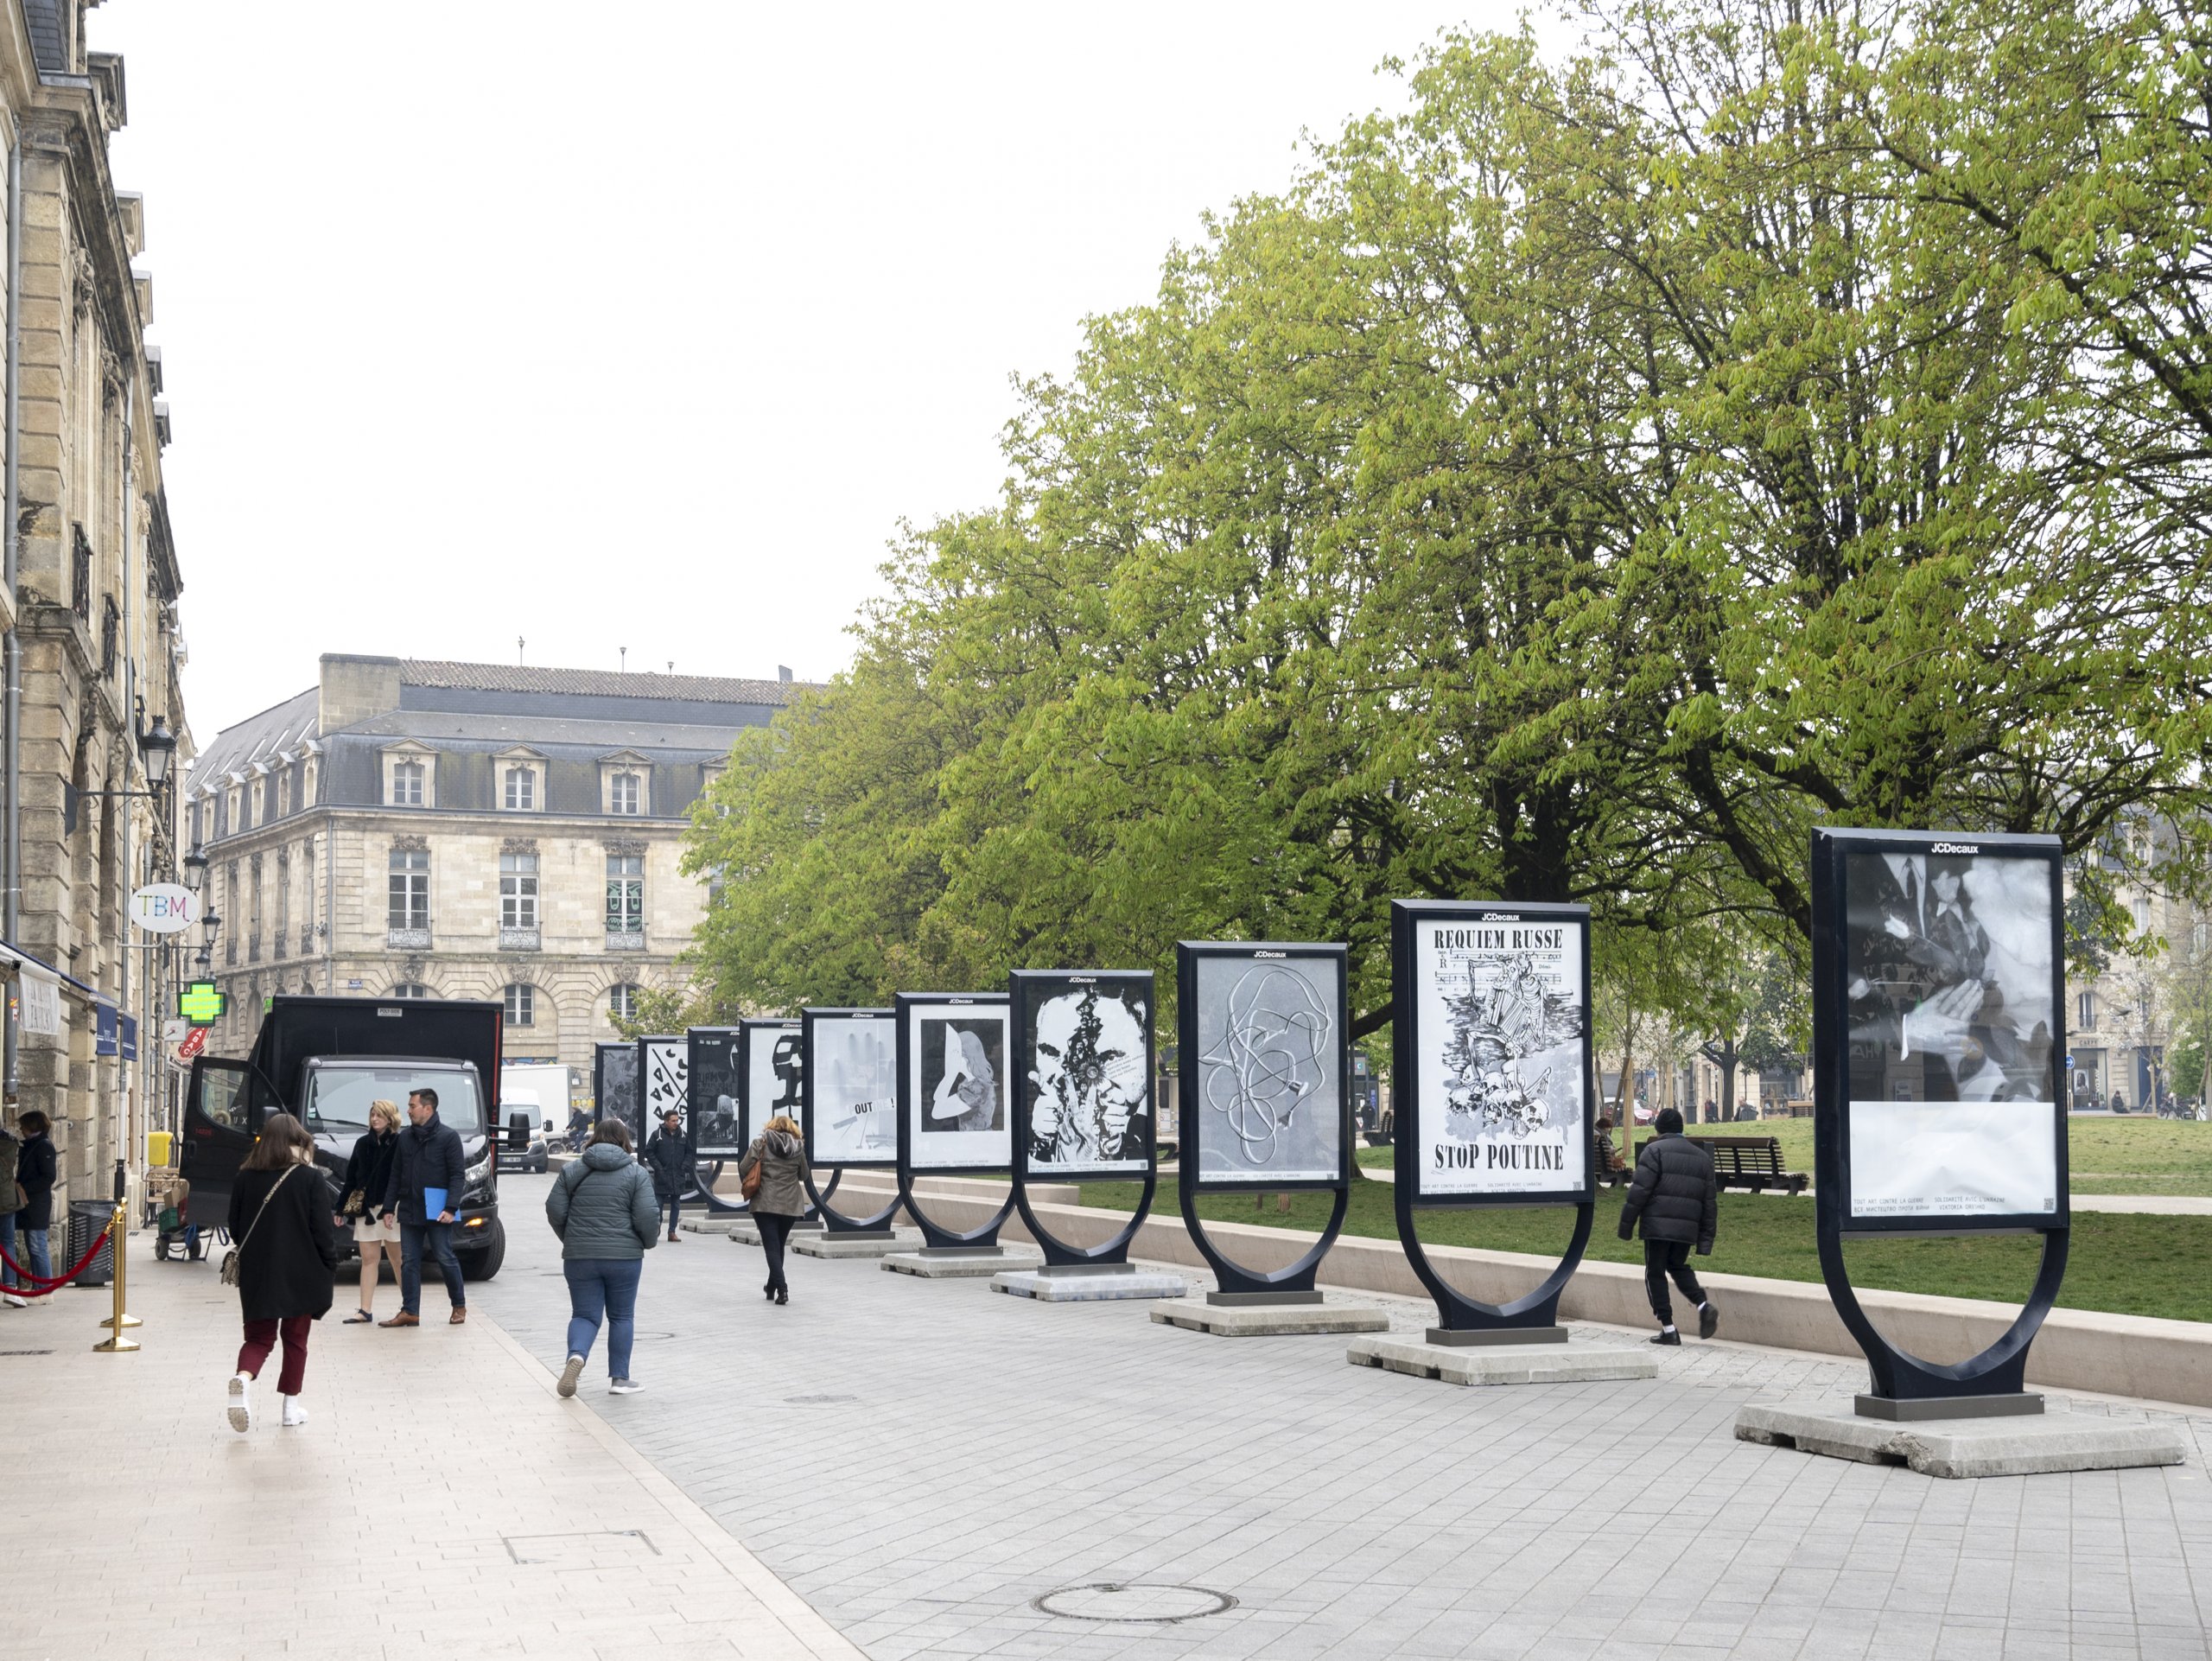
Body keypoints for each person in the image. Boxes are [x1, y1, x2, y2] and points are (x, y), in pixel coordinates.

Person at [224, 1112, 340, 1431]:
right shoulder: (310, 1178)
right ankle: (291, 1408)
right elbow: (323, 1232)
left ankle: (242, 1379)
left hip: (258, 1271)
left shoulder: (244, 1177)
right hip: (302, 1272)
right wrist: (330, 1264)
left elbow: (235, 1228)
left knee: (259, 1337)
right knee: (296, 1339)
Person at [544, 1118, 658, 1397]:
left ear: (595, 1138)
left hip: (579, 1257)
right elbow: (647, 1216)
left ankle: (577, 1356)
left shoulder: (572, 1171)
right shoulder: (636, 1173)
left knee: (584, 1314)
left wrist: (571, 1239)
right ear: (624, 1140)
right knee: (621, 1316)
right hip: (624, 1258)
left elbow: (554, 1209)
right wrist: (647, 1242)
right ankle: (620, 1379)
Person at [1618, 1105, 1719, 1346]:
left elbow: (1639, 1192)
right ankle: (1703, 1303)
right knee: (1677, 1266)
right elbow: (1710, 1202)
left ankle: (1668, 1328)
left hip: (1658, 1225)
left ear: (1659, 1128)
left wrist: (1626, 1225)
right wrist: (1706, 1240)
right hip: (1687, 1228)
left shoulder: (1654, 1151)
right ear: (1681, 1128)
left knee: (1655, 1272)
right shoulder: (1702, 1158)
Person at [380, 1086, 467, 1327]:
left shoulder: (449, 1137)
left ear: (427, 1108)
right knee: (408, 1261)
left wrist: (451, 1207)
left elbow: (458, 1176)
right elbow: (395, 1174)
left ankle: (459, 1305)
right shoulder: (405, 1138)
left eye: (412, 1106)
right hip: (409, 1208)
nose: (407, 1110)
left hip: (439, 1211)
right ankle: (410, 1311)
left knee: (444, 1256)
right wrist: (388, 1208)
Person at [338, 1100, 404, 1322]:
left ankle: (409, 1306)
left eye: (379, 1115)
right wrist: (340, 1208)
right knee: (368, 1259)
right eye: (372, 1114)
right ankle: (364, 1310)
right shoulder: (362, 1143)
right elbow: (351, 1180)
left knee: (398, 1260)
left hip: (392, 1209)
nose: (374, 1119)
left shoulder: (400, 1143)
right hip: (366, 1209)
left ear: (390, 1118)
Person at [739, 1112, 810, 1305]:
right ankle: (771, 1286)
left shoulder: (760, 1144)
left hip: (765, 1202)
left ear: (770, 1126)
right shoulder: (798, 1148)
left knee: (771, 1247)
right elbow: (804, 1175)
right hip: (790, 1205)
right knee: (778, 1246)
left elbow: (744, 1168)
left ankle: (782, 1289)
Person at [3, 1112, 56, 1308]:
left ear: (32, 1127)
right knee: (33, 1245)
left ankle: (44, 1289)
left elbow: (49, 1176)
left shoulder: (43, 1146)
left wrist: (25, 1188)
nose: (21, 1131)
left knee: (37, 1245)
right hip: (28, 1204)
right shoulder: (33, 1145)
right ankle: (38, 1286)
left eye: (24, 1127)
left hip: (36, 1204)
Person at [643, 1108, 689, 1244]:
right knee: (658, 1205)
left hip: (678, 1175)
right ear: (666, 1121)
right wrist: (658, 1167)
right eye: (673, 1121)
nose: (676, 1123)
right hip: (662, 1176)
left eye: (677, 1120)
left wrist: (684, 1166)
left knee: (676, 1204)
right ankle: (656, 1229)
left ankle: (672, 1232)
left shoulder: (683, 1136)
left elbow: (690, 1152)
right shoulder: (657, 1135)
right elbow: (649, 1151)